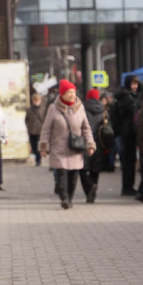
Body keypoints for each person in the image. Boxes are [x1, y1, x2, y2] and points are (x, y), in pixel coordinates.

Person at [39, 80, 96, 209]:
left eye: (73, 92)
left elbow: (86, 128)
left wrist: (90, 145)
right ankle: (64, 198)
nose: (72, 95)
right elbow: (46, 129)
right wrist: (44, 147)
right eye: (69, 92)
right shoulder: (53, 108)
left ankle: (69, 199)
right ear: (62, 94)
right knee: (62, 175)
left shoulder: (80, 107)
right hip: (58, 148)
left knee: (74, 177)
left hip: (76, 148)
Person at [113, 75, 141, 196]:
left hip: (124, 132)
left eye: (136, 84)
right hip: (128, 132)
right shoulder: (128, 98)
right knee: (129, 160)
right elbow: (134, 113)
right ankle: (128, 187)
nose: (135, 86)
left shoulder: (123, 95)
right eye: (133, 84)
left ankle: (127, 186)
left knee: (127, 160)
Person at [80, 89, 106, 203]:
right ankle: (93, 187)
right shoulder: (103, 109)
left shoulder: (82, 108)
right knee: (95, 169)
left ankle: (89, 188)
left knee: (82, 168)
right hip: (99, 143)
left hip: (84, 142)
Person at [25, 92, 46, 166]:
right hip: (31, 130)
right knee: (33, 146)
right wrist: (28, 126)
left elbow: (45, 119)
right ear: (33, 100)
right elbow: (26, 119)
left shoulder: (43, 109)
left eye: (38, 100)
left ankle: (38, 160)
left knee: (38, 146)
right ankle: (37, 157)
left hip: (40, 131)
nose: (37, 101)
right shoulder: (30, 109)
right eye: (35, 100)